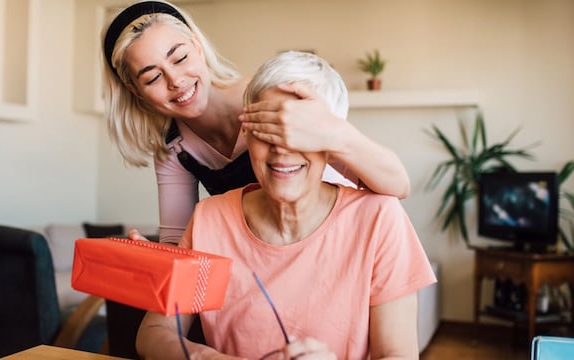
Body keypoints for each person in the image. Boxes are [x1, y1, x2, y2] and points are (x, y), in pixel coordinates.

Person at [135, 50, 437, 359]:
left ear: (332, 145)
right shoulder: (209, 219)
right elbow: (154, 334)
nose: (282, 150)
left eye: (300, 134)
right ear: (247, 133)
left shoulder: (379, 219)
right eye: (267, 129)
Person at [102, 0, 411, 245]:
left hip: (340, 236)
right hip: (270, 251)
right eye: (153, 77)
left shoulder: (272, 98)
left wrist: (330, 131)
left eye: (180, 58)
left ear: (197, 46)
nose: (176, 81)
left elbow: (397, 185)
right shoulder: (175, 149)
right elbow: (181, 242)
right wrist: (155, 255)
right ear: (135, 90)